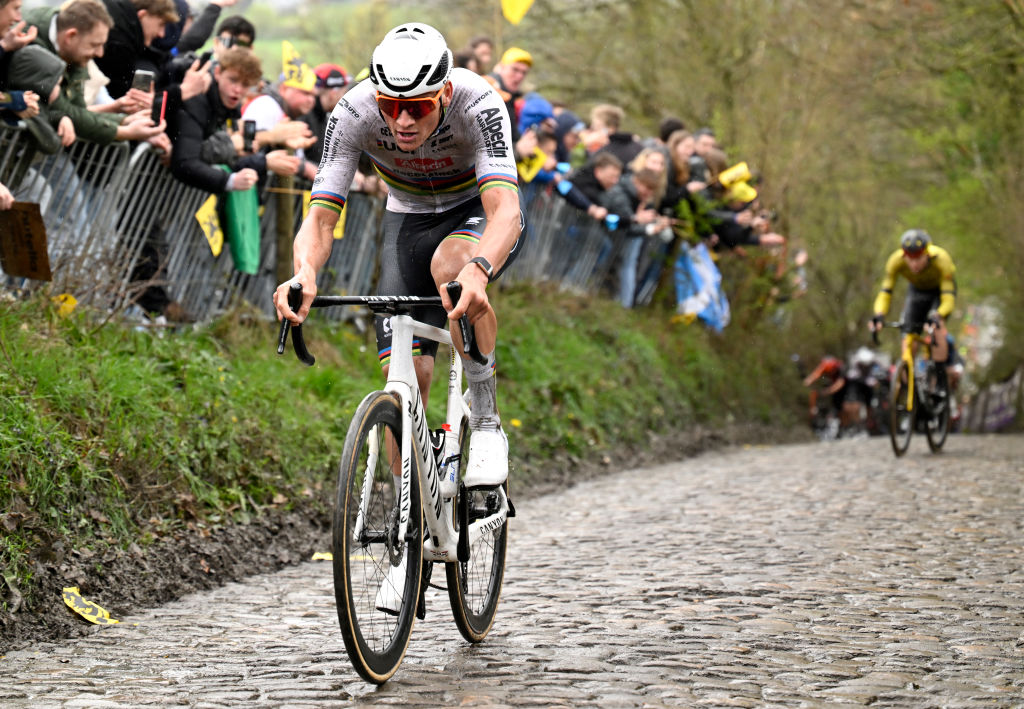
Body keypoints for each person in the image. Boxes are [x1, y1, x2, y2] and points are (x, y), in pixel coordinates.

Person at [274, 24, 522, 501]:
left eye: (418, 107)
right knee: (404, 380)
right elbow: (321, 217)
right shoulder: (353, 111)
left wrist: (479, 270)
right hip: (406, 218)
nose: (402, 121)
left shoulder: (478, 102)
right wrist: (304, 272)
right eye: (391, 107)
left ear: (444, 93)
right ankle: (407, 529)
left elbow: (505, 211)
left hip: (472, 213)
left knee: (452, 268)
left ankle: (488, 423)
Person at [869, 229, 957, 372]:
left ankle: (940, 380)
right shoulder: (895, 261)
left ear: (927, 254)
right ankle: (906, 378)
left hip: (940, 292)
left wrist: (937, 315)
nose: (914, 263)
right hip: (917, 291)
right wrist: (879, 314)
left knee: (937, 328)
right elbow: (885, 292)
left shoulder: (942, 260)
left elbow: (948, 298)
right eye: (910, 259)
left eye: (918, 258)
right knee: (908, 333)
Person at [485, 45, 531, 143]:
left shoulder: (510, 97)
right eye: (515, 69)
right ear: (501, 68)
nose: (519, 76)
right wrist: (518, 150)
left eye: (524, 72)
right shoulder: (489, 91)